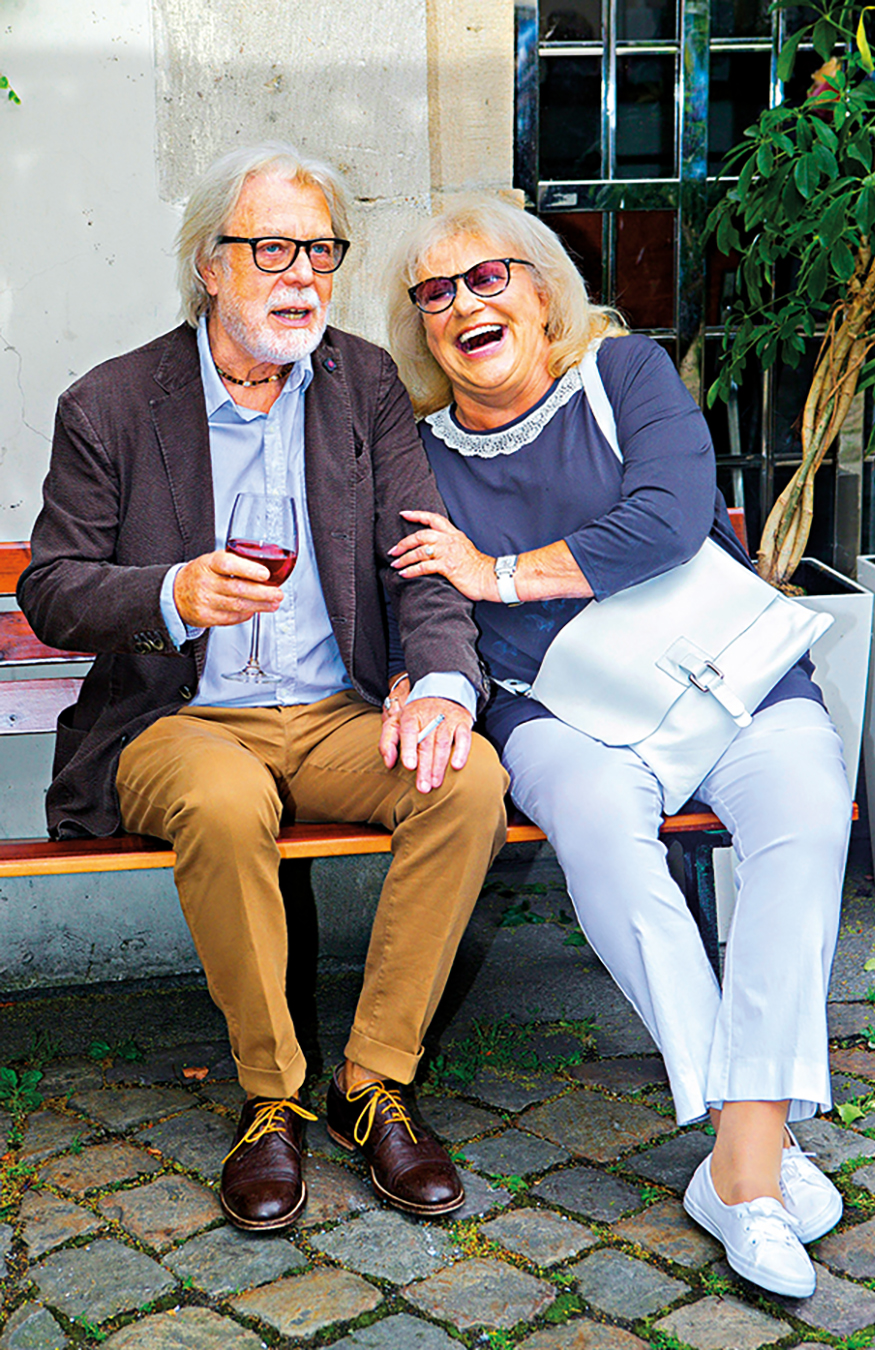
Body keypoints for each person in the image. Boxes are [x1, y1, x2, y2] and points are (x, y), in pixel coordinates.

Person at [17, 147, 509, 1233]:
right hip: (179, 718)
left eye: (321, 253)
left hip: (335, 714)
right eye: (273, 250)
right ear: (210, 264)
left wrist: (439, 686)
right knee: (227, 799)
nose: (303, 278)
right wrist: (173, 592)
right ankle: (272, 1096)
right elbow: (51, 588)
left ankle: (372, 1083)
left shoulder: (363, 384)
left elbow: (419, 562)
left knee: (467, 779)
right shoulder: (110, 403)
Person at [384, 196, 852, 1298]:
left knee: (802, 816)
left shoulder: (623, 375)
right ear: (422, 329)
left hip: (722, 675)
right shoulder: (417, 454)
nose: (463, 304)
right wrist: (424, 672)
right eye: (435, 293)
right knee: (602, 839)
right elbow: (409, 595)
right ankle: (755, 1156)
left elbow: (670, 517)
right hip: (555, 708)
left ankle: (740, 1163)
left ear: (544, 291)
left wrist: (498, 574)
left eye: (488, 276)